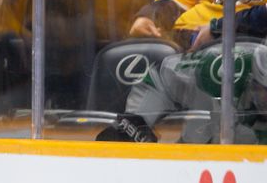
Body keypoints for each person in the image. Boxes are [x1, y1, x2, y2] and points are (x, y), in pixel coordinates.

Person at [96, 41, 267, 144]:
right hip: (159, 84)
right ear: (253, 79)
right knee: (126, 137)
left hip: (216, 105)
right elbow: (212, 139)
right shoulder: (222, 77)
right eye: (264, 90)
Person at [129, 0, 267, 51]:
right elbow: (177, 0)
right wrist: (147, 18)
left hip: (228, 45)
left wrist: (217, 29)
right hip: (174, 40)